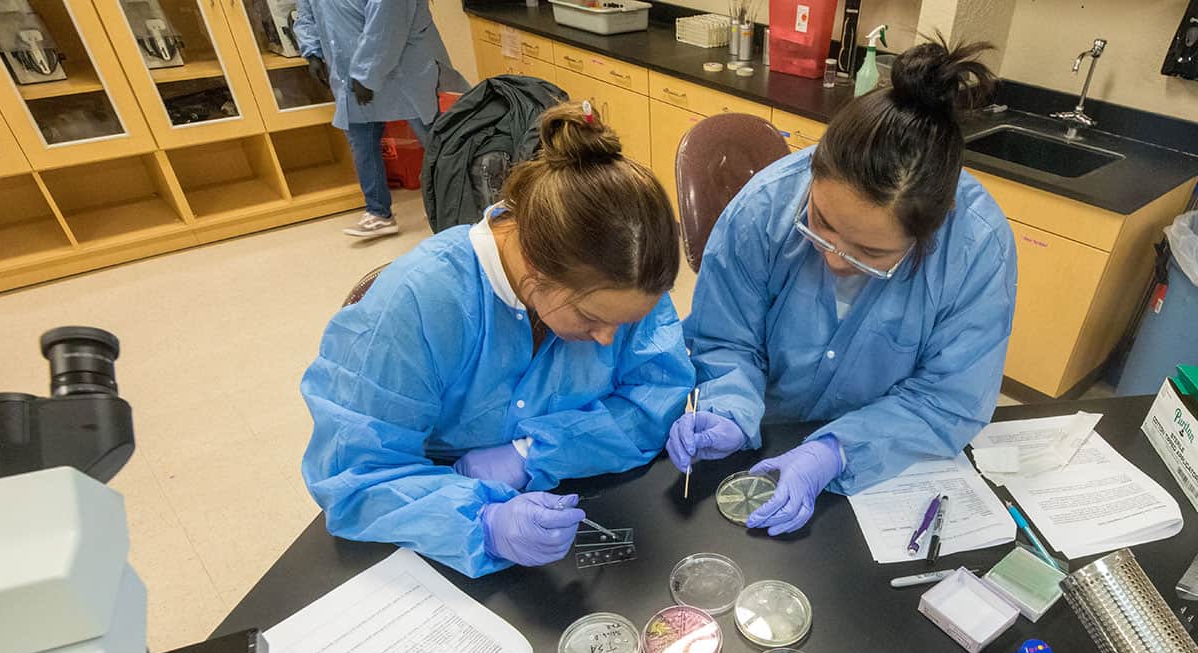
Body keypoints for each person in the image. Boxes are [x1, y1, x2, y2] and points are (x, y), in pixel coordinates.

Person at [301, 102, 695, 577]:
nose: (609, 340)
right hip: (435, 532)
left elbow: (656, 398)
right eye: (591, 320)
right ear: (536, 267)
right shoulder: (416, 304)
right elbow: (356, 477)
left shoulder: (623, 279)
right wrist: (479, 521)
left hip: (579, 510)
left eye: (626, 321)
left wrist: (535, 452)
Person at [667, 39, 1017, 535]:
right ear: (813, 175)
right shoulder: (762, 208)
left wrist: (834, 452)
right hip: (757, 442)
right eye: (821, 223)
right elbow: (725, 339)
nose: (833, 258)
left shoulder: (976, 250)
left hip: (877, 463)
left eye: (870, 254)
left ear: (930, 231)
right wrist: (727, 407)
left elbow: (949, 398)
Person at [293, 0, 467, 238]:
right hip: (349, 68)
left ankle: (456, 207)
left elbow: (388, 21)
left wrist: (366, 73)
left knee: (436, 138)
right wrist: (311, 51)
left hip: (404, 64)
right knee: (361, 139)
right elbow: (307, 11)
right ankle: (378, 212)